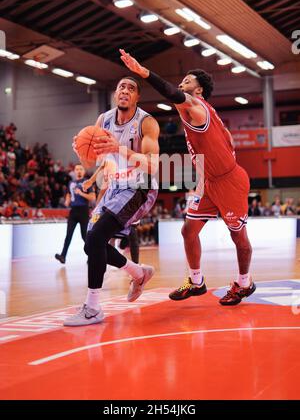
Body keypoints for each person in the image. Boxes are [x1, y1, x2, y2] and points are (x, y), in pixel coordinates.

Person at [120, 49, 255, 306]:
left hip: (229, 182)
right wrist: (202, 180)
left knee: (239, 237)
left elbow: (171, 92)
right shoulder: (200, 114)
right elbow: (224, 142)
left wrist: (143, 72)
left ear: (199, 90)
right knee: (188, 230)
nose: (182, 82)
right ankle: (196, 281)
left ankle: (245, 283)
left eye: (188, 81)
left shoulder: (197, 106)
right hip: (209, 181)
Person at [63, 76, 160, 326]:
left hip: (140, 186)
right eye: (121, 87)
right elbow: (93, 163)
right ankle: (139, 272)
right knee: (91, 243)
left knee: (95, 238)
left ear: (137, 97)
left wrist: (119, 148)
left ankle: (93, 308)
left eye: (131, 88)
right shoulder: (103, 121)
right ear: (115, 95)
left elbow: (154, 164)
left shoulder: (146, 123)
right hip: (114, 187)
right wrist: (81, 152)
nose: (125, 91)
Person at [55, 164, 95, 264]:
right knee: (68, 235)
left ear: (84, 171)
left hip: (83, 210)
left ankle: (92, 256)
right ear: (74, 171)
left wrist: (81, 193)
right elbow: (69, 193)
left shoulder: (87, 182)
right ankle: (63, 256)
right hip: (73, 211)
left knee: (84, 236)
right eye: (77, 169)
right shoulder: (71, 182)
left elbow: (92, 197)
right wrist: (67, 200)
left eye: (81, 169)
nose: (79, 171)